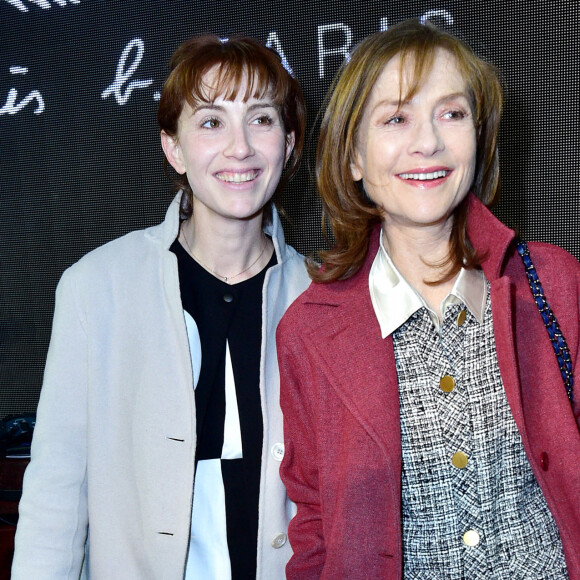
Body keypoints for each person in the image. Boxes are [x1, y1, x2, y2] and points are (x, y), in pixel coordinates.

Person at [277, 19, 580, 579]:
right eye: (396, 118)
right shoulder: (308, 333)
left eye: (452, 113)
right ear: (353, 159)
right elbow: (316, 523)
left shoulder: (556, 285)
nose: (428, 141)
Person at [12, 35, 309, 579]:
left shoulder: (323, 298)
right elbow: (57, 491)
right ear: (174, 147)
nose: (239, 147)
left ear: (289, 145)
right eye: (212, 122)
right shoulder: (96, 287)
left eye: (261, 120)